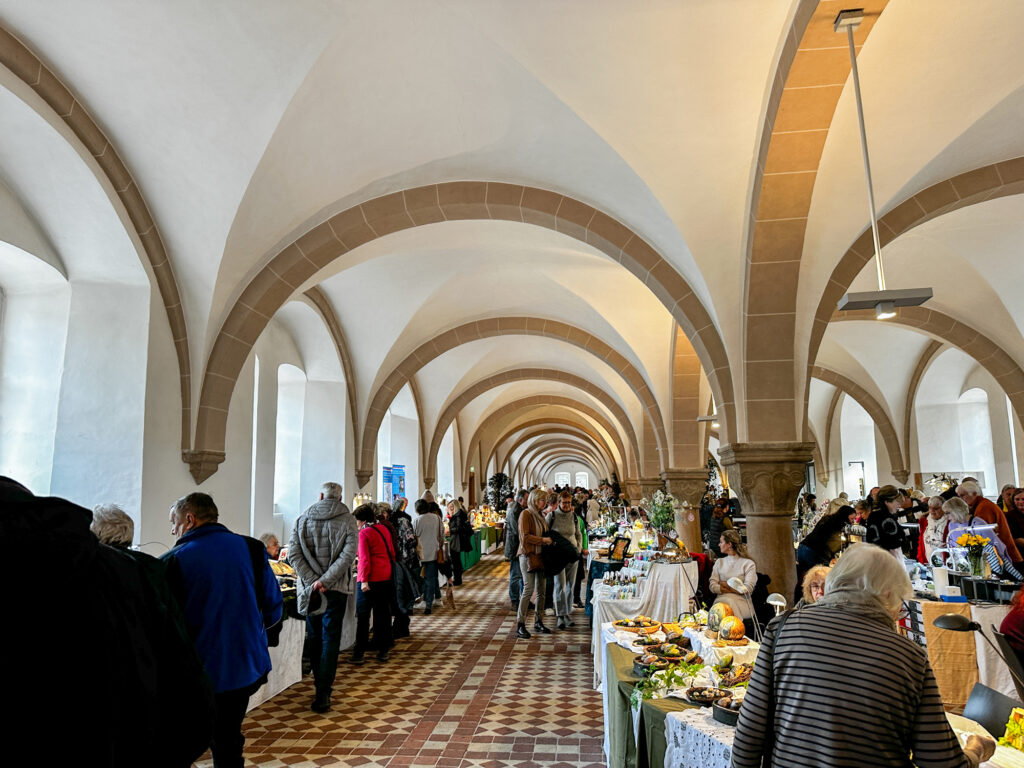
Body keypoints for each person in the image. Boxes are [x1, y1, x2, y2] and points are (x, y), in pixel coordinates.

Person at [732, 543, 995, 768]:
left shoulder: (783, 628)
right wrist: (976, 751)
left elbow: (750, 730)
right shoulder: (910, 658)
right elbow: (941, 762)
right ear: (887, 594)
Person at [163, 492, 282, 768]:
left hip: (200, 670)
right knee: (228, 738)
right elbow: (273, 602)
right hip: (245, 665)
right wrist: (261, 640)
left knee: (184, 740)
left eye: (174, 522)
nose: (172, 530)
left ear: (189, 519)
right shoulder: (251, 548)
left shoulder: (174, 560)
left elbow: (168, 626)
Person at [288, 481, 358, 713]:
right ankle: (323, 691)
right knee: (330, 639)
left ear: (320, 496)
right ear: (340, 498)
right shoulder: (347, 520)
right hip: (335, 589)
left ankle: (319, 684)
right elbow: (348, 556)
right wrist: (325, 581)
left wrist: (312, 581)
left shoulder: (302, 519)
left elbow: (293, 554)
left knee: (315, 636)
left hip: (311, 591)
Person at [350, 503, 394, 664]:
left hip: (371, 578)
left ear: (361, 520)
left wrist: (363, 580)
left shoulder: (364, 533)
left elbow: (364, 559)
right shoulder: (383, 529)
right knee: (382, 615)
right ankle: (383, 650)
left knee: (363, 617)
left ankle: (359, 653)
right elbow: (391, 551)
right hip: (385, 575)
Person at [945, 497, 1024, 581]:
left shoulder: (978, 523)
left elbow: (995, 545)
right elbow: (953, 546)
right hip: (966, 567)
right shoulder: (952, 525)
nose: (946, 517)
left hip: (987, 566)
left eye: (947, 513)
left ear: (956, 510)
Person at [516, 487, 553, 639]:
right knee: (528, 589)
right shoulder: (526, 514)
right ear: (535, 500)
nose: (545, 503)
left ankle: (538, 621)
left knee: (542, 590)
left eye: (546, 500)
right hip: (527, 556)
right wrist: (543, 540)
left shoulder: (540, 515)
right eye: (543, 500)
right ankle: (520, 624)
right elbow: (525, 537)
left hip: (540, 556)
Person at [957, 479, 1023, 564]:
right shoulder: (980, 505)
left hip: (1004, 557)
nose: (961, 499)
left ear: (974, 494)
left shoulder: (984, 507)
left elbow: (984, 537)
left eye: (962, 495)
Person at [547, 490, 583, 629]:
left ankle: (567, 613)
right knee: (559, 585)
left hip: (572, 555)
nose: (567, 505)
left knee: (570, 585)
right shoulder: (552, 516)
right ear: (559, 503)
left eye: (569, 502)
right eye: (564, 502)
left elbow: (578, 534)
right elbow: (545, 533)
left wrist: (578, 548)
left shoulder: (574, 517)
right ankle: (560, 615)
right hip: (558, 556)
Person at [709, 529, 757, 631]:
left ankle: (733, 631)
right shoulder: (719, 562)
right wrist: (734, 587)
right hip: (720, 602)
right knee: (724, 604)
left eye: (721, 542)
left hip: (742, 603)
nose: (719, 545)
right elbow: (712, 585)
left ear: (729, 544)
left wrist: (724, 584)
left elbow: (747, 589)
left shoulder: (748, 564)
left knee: (728, 603)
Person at [389, 497, 420, 639]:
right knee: (404, 590)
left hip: (397, 560)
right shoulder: (403, 520)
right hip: (405, 559)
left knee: (401, 591)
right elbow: (411, 540)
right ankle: (403, 622)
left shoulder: (393, 521)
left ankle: (401, 623)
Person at [413, 498, 443, 615]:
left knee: (421, 578)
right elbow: (441, 535)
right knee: (431, 578)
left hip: (421, 553)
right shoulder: (437, 518)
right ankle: (429, 605)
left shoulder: (417, 520)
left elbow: (414, 536)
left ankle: (425, 600)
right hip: (433, 552)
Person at [866, 485, 907, 558]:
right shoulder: (888, 518)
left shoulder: (872, 515)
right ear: (887, 502)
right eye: (897, 502)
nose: (899, 506)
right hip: (888, 558)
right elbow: (896, 541)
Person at [504, 489, 527, 611]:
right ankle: (514, 600)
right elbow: (517, 531)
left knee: (523, 575)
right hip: (515, 547)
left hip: (521, 547)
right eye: (527, 499)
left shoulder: (522, 509)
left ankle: (524, 600)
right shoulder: (515, 511)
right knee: (516, 574)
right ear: (521, 499)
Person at [447, 498, 473, 586]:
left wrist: (450, 530)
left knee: (455, 560)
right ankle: (458, 579)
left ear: (455, 506)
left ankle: (458, 580)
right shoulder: (459, 514)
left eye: (452, 506)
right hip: (456, 540)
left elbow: (458, 528)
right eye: (449, 507)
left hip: (456, 540)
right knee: (456, 560)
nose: (450, 508)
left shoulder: (458, 515)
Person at [919, 496, 950, 565]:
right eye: (930, 508)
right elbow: (921, 542)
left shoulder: (949, 521)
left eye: (936, 508)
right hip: (928, 560)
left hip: (946, 562)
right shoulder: (924, 521)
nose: (932, 511)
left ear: (944, 508)